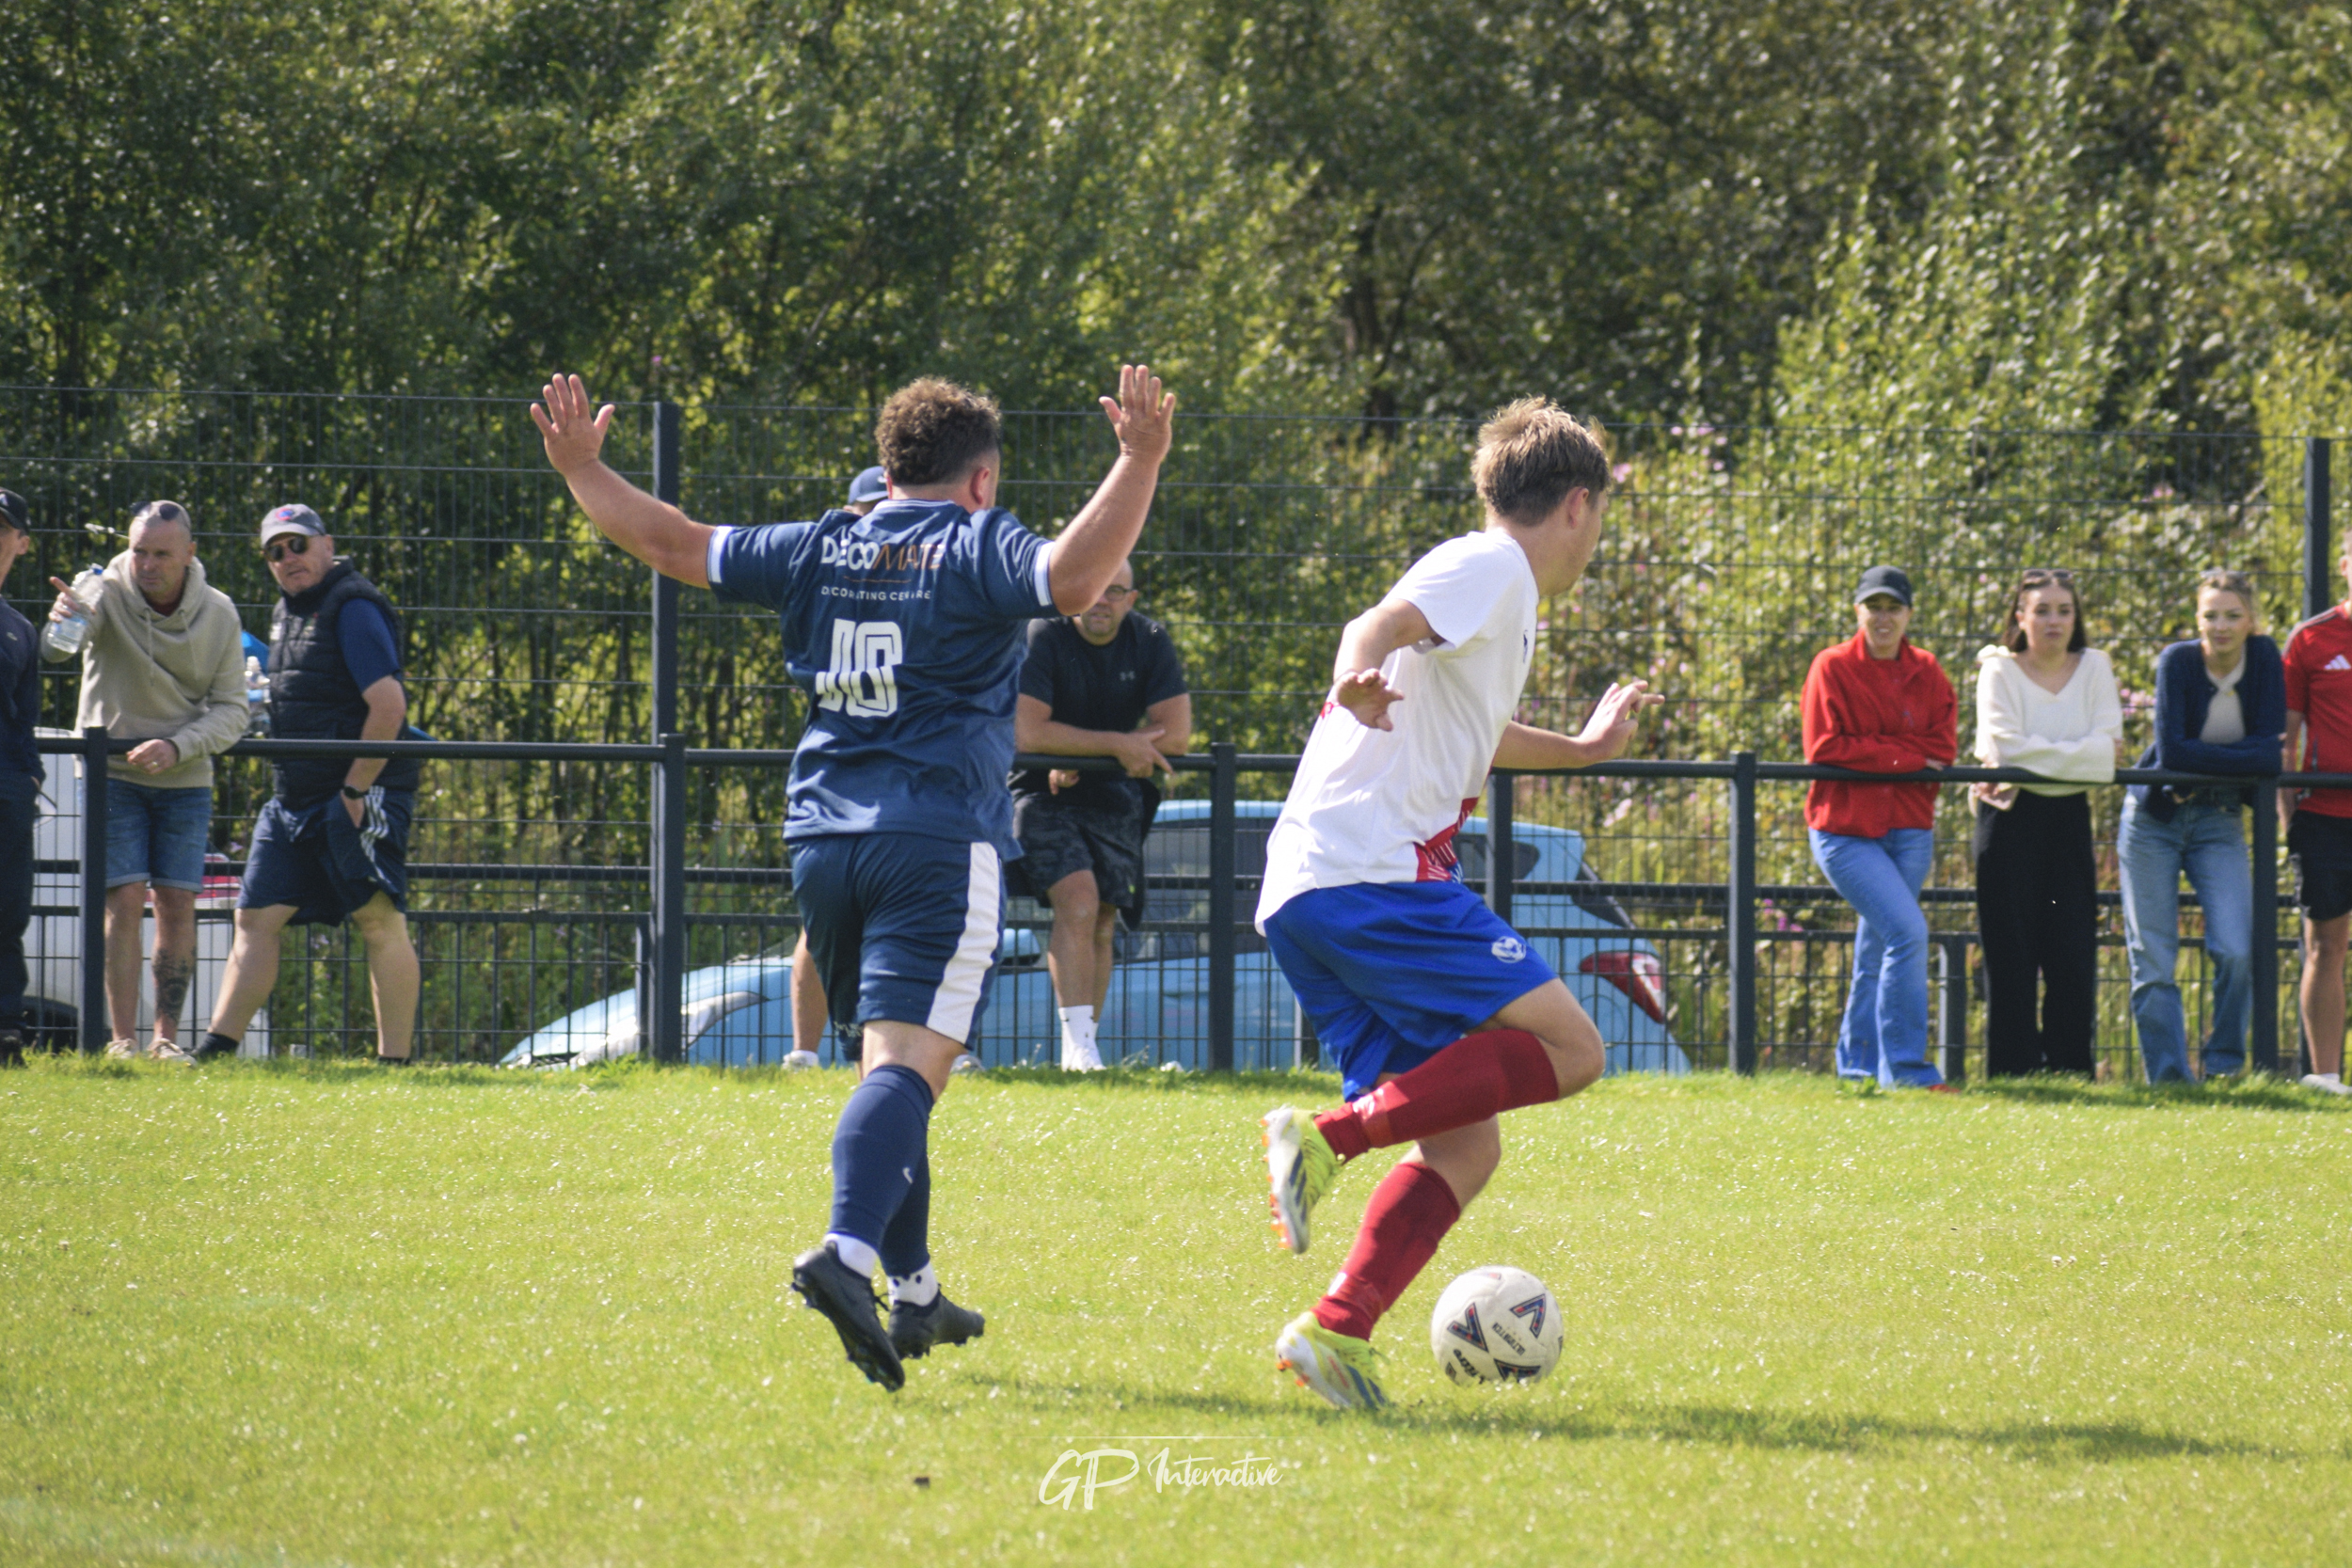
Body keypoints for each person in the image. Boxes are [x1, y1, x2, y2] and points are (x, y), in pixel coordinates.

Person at [533, 363, 1175, 1392]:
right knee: (908, 1070)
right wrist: (1139, 458)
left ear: (888, 465)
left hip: (823, 840)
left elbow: (674, 542)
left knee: (891, 1068)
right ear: (980, 479)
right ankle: (846, 1252)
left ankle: (916, 1292)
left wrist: (582, 469)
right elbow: (1071, 581)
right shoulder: (976, 542)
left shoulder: (821, 541)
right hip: (936, 838)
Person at [1251, 399, 1661, 1410]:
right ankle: (1329, 1137)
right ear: (1577, 504)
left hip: (1312, 886)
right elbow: (1375, 624)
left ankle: (1335, 1329)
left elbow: (1478, 729)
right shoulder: (1492, 567)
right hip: (1373, 873)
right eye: (1600, 518)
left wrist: (1583, 750)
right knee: (1575, 1049)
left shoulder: (1498, 597)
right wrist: (1353, 676)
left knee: (1466, 1143)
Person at [194, 505, 421, 1066]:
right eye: (275, 551)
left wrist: (354, 793)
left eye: (298, 544)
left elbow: (388, 707)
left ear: (328, 545)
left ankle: (395, 1064)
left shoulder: (354, 607)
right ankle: (216, 1053)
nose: (287, 558)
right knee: (255, 917)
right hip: (293, 797)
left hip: (356, 791)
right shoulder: (286, 611)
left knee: (378, 920)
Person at [42, 501, 248, 1063]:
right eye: (139, 552)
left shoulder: (220, 613)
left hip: (185, 776)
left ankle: (165, 1041)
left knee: (178, 902)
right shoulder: (102, 591)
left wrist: (178, 746)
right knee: (126, 899)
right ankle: (122, 1042)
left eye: (162, 553)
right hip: (111, 773)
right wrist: (63, 619)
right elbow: (55, 651)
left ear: (190, 554)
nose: (148, 565)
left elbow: (233, 710)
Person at [1009, 557, 1190, 1070]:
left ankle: (1083, 1051)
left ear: (1131, 600)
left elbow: (1177, 734)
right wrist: (1111, 746)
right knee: (1079, 901)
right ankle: (1077, 1047)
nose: (1102, 601)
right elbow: (1029, 732)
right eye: (1093, 588)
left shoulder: (1150, 638)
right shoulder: (1043, 633)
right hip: (1041, 794)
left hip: (1114, 795)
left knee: (1104, 920)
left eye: (1115, 591)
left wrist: (1089, 754)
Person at [2119, 570, 2282, 1084]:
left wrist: (2206, 763)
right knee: (2154, 959)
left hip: (2220, 820)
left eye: (2233, 615)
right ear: (2197, 620)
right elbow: (2173, 753)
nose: (2221, 626)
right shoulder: (2178, 661)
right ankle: (2170, 1080)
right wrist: (2240, 759)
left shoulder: (2265, 659)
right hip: (2154, 820)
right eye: (2211, 615)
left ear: (2251, 620)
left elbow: (2271, 756)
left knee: (2236, 950)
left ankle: (2224, 1069)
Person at [1802, 565, 1957, 1090]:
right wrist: (1904, 758)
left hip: (1910, 828)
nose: (1884, 617)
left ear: (1909, 614)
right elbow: (1824, 746)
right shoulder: (1831, 666)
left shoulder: (1928, 670)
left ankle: (1859, 1069)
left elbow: (1943, 749)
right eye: (1875, 607)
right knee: (1908, 933)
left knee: (1879, 947)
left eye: (1894, 607)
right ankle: (1909, 1071)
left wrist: (1871, 752)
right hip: (1844, 831)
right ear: (1858, 612)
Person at [1969, 568, 2124, 1078]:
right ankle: (2012, 1072)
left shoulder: (2096, 667)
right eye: (2041, 610)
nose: (2054, 621)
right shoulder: (1997, 670)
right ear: (2020, 617)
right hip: (2008, 821)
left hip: (2068, 822)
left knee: (2072, 950)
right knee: (2010, 952)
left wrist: (2033, 758)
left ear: (2076, 618)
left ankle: (2069, 1070)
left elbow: (2108, 758)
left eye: (2064, 610)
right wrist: (2080, 756)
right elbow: (2004, 748)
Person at [786, 465, 893, 1071]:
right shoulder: (825, 571)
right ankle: (804, 1053)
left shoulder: (927, 573)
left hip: (906, 786)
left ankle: (909, 1054)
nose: (878, 524)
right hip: (836, 783)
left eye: (887, 509)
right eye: (867, 512)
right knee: (822, 925)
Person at [2281, 543, 2352, 1096]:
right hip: (2324, 818)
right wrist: (2290, 822)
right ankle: (2326, 1078)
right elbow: (2286, 740)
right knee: (2325, 946)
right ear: (2345, 565)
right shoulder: (2309, 639)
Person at [0, 489, 39, 1069]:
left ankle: (6, 1029)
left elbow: (25, 718)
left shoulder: (20, 629)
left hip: (6, 789)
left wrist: (29, 779)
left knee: (8, 911)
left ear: (22, 543)